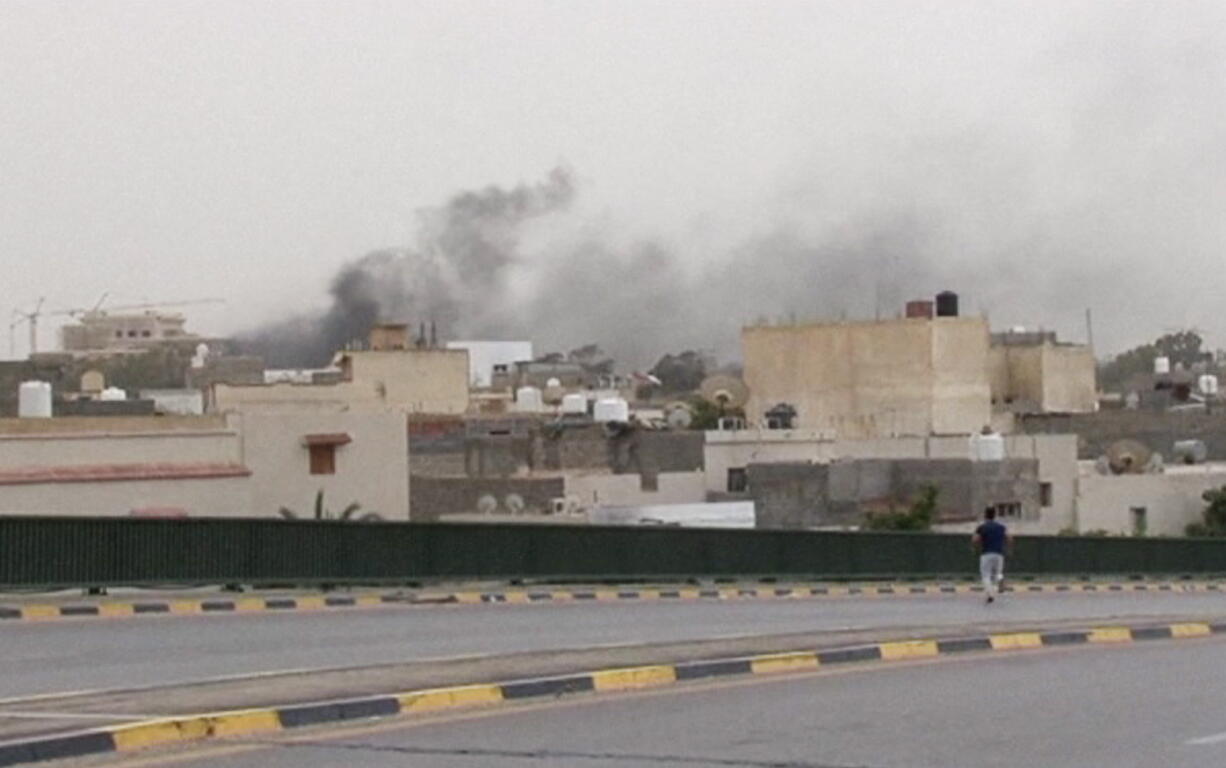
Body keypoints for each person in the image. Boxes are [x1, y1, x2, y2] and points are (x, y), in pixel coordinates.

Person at [972, 507, 1011, 604]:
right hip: (999, 553)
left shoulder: (982, 527)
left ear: (985, 515)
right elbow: (1010, 538)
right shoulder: (1001, 527)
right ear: (994, 515)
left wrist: (976, 546)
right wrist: (1007, 547)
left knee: (986, 575)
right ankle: (1001, 584)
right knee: (999, 572)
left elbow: (975, 540)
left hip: (986, 553)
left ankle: (990, 595)